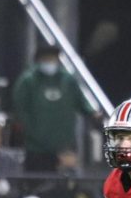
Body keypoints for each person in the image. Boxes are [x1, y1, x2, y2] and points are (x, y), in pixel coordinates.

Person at [12, 44, 100, 172]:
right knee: (37, 186)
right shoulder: (27, 81)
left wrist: (92, 113)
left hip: (64, 148)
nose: (50, 62)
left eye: (53, 58)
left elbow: (82, 102)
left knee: (66, 187)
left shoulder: (68, 80)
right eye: (46, 59)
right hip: (36, 148)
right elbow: (20, 111)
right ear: (39, 60)